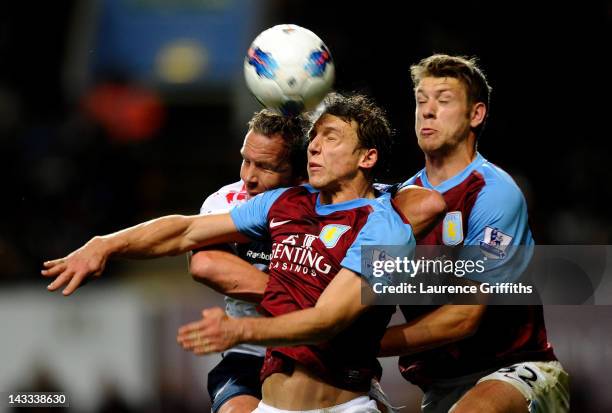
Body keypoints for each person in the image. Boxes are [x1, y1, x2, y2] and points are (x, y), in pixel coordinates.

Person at [43, 93, 445, 413]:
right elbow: (185, 232)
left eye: (332, 138)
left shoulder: (385, 223)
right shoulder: (284, 202)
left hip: (344, 405)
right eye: (315, 138)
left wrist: (242, 329)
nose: (315, 148)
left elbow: (327, 320)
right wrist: (106, 244)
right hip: (269, 404)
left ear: (367, 157)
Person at [377, 54, 570, 412]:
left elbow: (464, 317)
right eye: (421, 101)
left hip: (515, 369)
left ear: (476, 114)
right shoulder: (396, 202)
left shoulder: (493, 192)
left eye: (444, 100)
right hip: (441, 385)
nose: (427, 111)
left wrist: (362, 345)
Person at [190, 109, 310, 413]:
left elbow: (389, 277)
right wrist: (307, 302)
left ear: (300, 173)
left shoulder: (330, 207)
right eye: (246, 160)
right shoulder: (225, 202)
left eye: (265, 167)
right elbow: (205, 265)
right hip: (249, 357)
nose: (248, 178)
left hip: (319, 354)